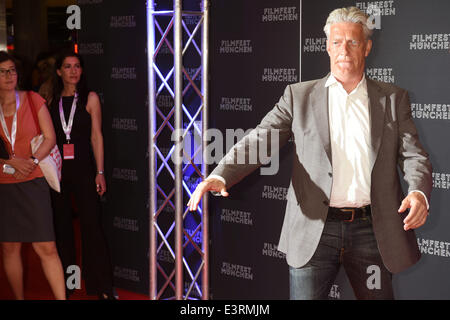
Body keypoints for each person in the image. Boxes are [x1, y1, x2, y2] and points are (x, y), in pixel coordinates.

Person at [188, 7, 432, 300]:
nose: (344, 50)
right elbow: (260, 139)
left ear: (367, 47)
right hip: (314, 230)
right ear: (327, 46)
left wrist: (418, 192)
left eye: (353, 42)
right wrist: (222, 174)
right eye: (337, 42)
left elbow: (414, 155)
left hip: (372, 233)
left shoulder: (393, 99)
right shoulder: (298, 96)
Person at [49, 50, 115, 299]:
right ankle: (67, 284)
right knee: (62, 229)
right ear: (58, 72)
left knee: (92, 229)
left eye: (77, 66)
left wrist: (100, 171)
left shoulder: (90, 98)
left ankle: (101, 288)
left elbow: (96, 136)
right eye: (67, 66)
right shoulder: (50, 99)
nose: (73, 71)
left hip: (85, 171)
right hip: (57, 173)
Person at [0, 51, 66, 300]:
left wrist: (31, 161)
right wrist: (12, 162)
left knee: (46, 246)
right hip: (4, 184)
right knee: (9, 247)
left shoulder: (32, 99)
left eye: (12, 71)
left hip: (33, 179)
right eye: (3, 71)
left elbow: (50, 137)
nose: (9, 76)